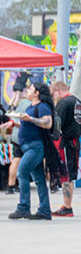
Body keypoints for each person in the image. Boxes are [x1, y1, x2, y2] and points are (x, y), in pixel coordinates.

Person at [7, 82, 55, 220]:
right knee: (39, 179)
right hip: (29, 146)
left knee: (22, 172)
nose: (27, 90)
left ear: (37, 93)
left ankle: (23, 207)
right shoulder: (30, 107)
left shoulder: (43, 107)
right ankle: (45, 210)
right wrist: (13, 124)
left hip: (35, 147)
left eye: (30, 89)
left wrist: (31, 119)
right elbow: (27, 124)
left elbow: (48, 123)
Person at [52, 81, 78, 217]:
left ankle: (67, 207)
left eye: (53, 93)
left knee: (66, 174)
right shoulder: (77, 102)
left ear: (57, 90)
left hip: (66, 142)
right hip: (74, 142)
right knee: (70, 174)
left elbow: (57, 124)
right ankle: (67, 205)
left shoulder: (63, 103)